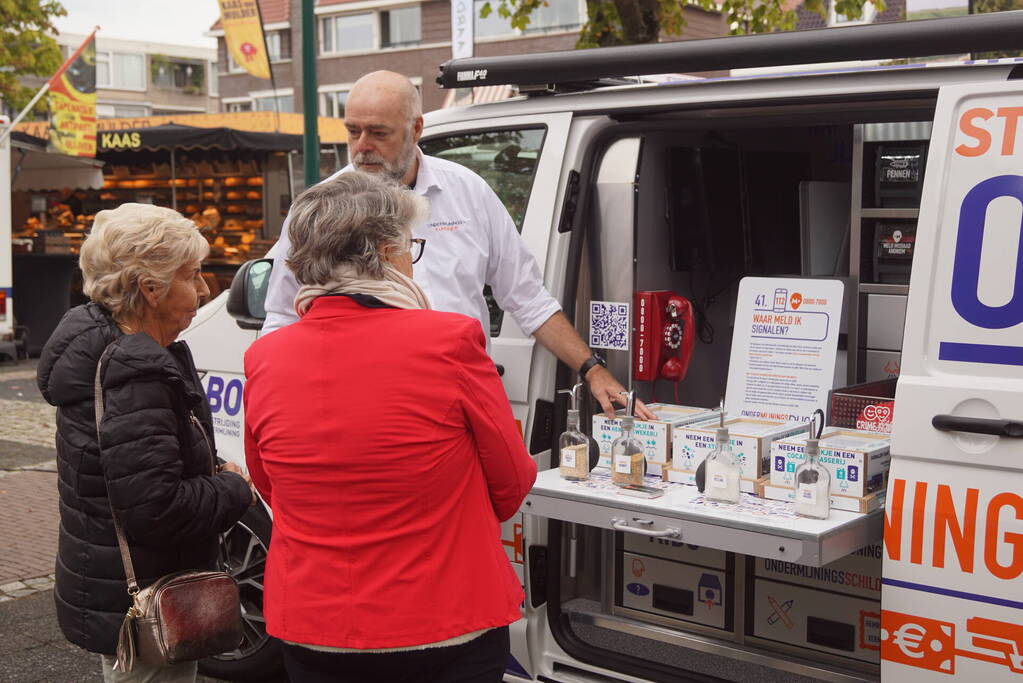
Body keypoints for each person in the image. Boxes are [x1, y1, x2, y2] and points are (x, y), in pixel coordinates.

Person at [244, 172, 537, 682]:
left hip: (315, 623)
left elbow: (271, 485)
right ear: (383, 252)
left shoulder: (265, 357)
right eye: (411, 247)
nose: (412, 260)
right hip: (443, 616)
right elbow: (511, 482)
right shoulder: (449, 340)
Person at [263, 70, 655, 420]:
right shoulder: (317, 210)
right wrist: (274, 400)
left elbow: (527, 296)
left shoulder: (467, 191)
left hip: (461, 396)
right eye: (353, 131)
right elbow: (281, 316)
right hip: (363, 406)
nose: (362, 145)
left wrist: (592, 369)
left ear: (416, 128)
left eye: (378, 133)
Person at [37, 204, 257, 683]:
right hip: (147, 603)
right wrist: (235, 488)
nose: (203, 290)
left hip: (117, 589)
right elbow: (158, 508)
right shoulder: (134, 369)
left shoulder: (111, 346)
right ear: (150, 288)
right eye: (193, 275)